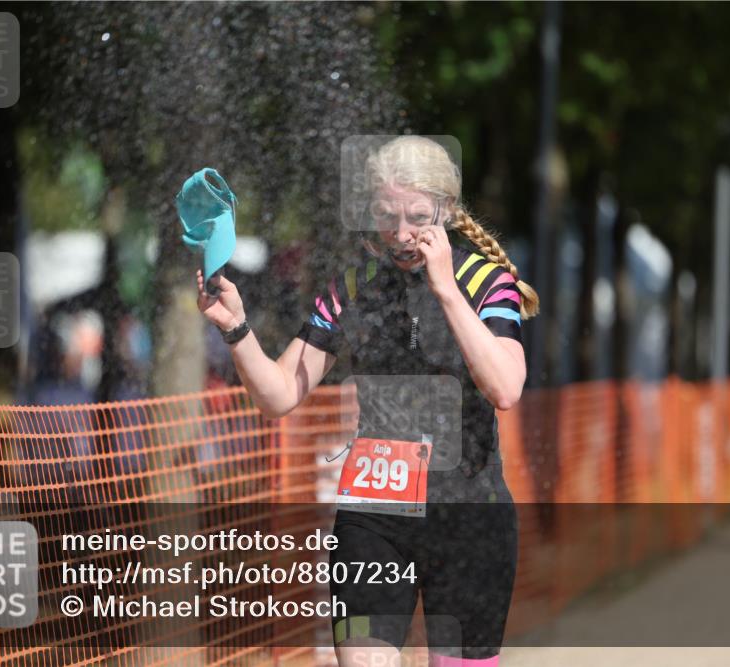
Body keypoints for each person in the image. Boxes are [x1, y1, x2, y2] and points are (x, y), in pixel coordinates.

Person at [195, 136, 537, 666]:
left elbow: (505, 388)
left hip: (469, 516)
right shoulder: (353, 288)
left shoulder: (486, 283)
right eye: (386, 216)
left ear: (446, 210)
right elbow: (280, 394)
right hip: (375, 516)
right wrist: (236, 329)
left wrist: (445, 289)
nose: (401, 235)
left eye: (418, 217)